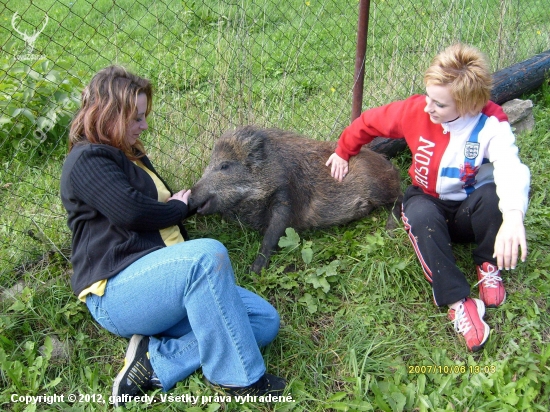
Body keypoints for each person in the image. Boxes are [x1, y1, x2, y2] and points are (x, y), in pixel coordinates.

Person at [60, 65, 286, 407]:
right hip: (118, 292)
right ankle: (242, 380)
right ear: (108, 114)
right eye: (135, 117)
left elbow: (143, 210)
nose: (144, 125)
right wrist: (180, 209)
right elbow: (132, 212)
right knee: (206, 257)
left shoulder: (129, 156)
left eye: (143, 116)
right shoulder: (87, 159)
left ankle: (155, 360)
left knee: (264, 321)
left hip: (164, 286)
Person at [326, 43, 530, 352]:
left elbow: (510, 167)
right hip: (428, 199)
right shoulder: (416, 110)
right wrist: (343, 151)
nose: (428, 108)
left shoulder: (490, 124)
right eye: (428, 97)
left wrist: (514, 216)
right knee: (421, 215)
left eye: (440, 104)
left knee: (493, 196)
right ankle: (459, 302)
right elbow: (369, 122)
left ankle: (488, 263)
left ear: (469, 105)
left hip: (468, 206)